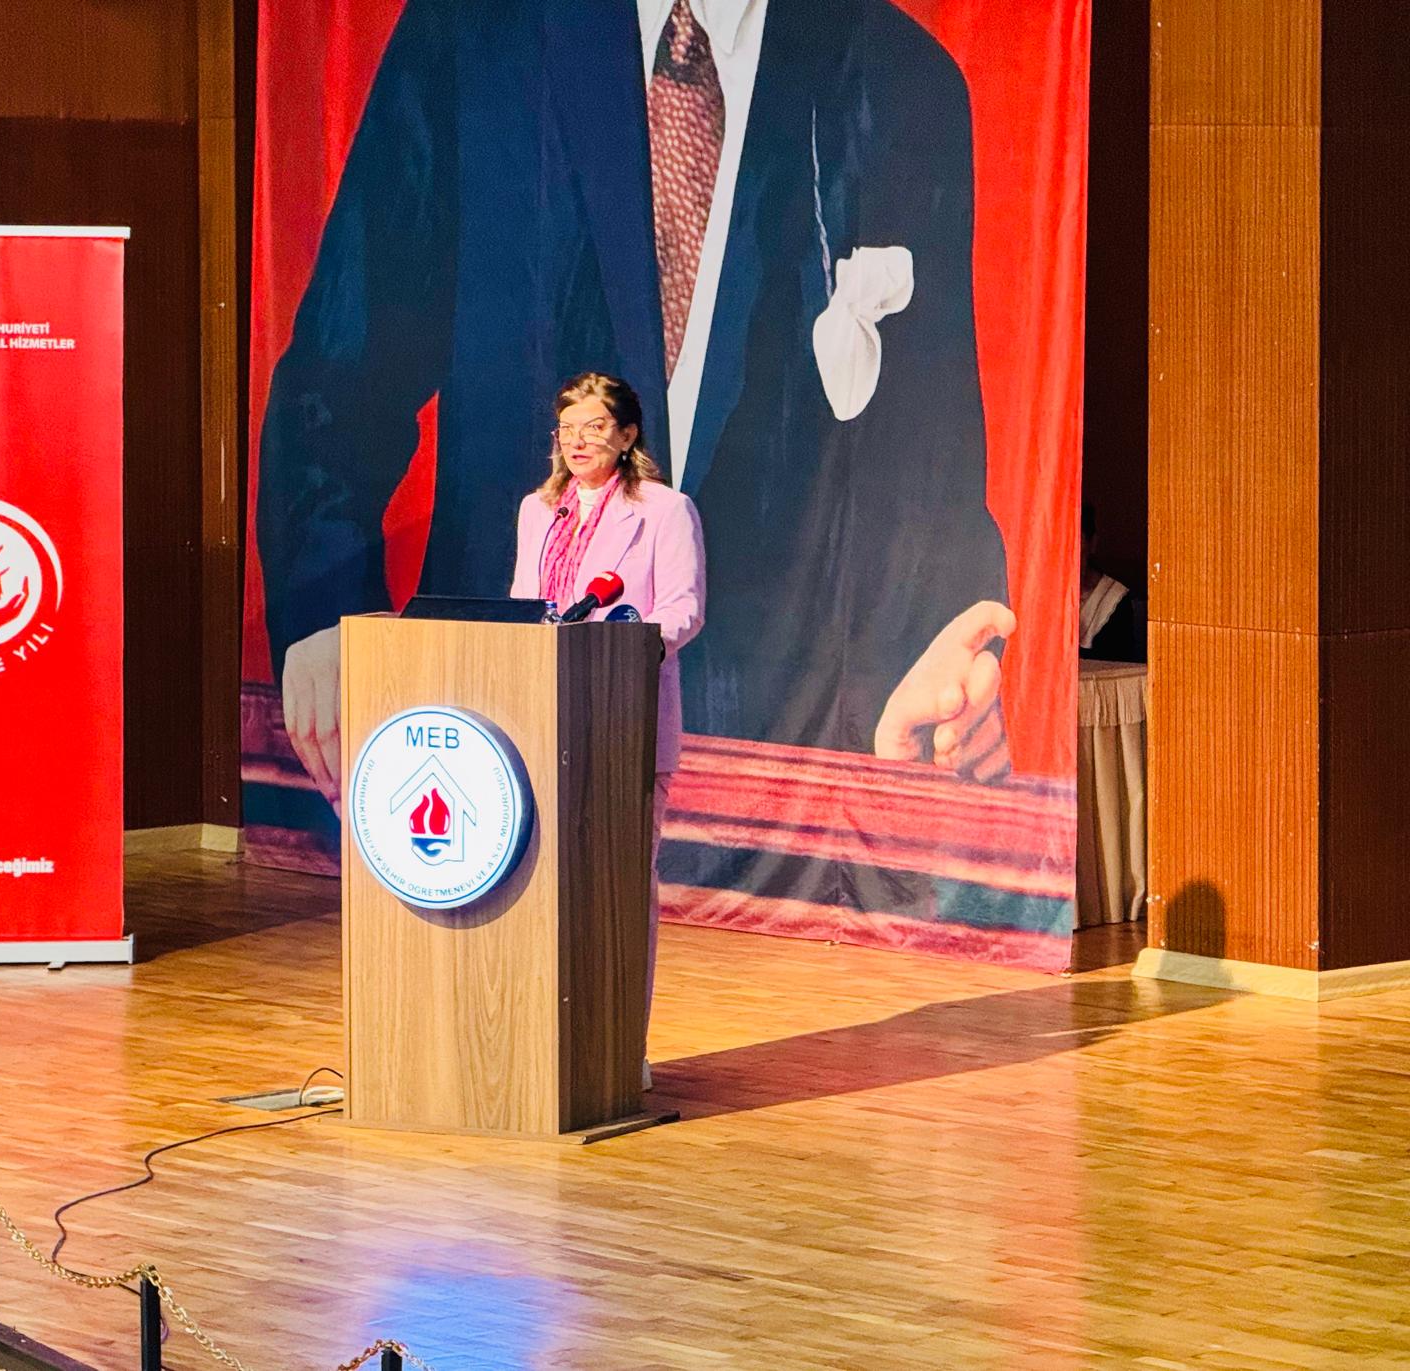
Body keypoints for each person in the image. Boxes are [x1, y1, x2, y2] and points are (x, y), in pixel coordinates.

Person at [260, 0, 1013, 910]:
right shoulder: (477, 31)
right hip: (499, 734)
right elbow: (341, 377)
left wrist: (935, 673)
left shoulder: (900, 81)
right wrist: (327, 617)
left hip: (779, 807)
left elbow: (932, 468)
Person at [511, 372, 704, 1090]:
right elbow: (523, 604)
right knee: (544, 885)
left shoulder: (663, 509)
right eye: (568, 428)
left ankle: (623, 1044)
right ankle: (546, 1038)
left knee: (617, 888)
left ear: (626, 436)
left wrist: (628, 643)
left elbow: (683, 608)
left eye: (595, 427)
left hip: (625, 718)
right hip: (541, 718)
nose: (579, 441)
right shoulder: (539, 510)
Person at [1079, 504, 1143, 663]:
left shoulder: (1114, 597)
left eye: (1075, 543)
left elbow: (1117, 661)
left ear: (1092, 543)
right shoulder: (1039, 593)